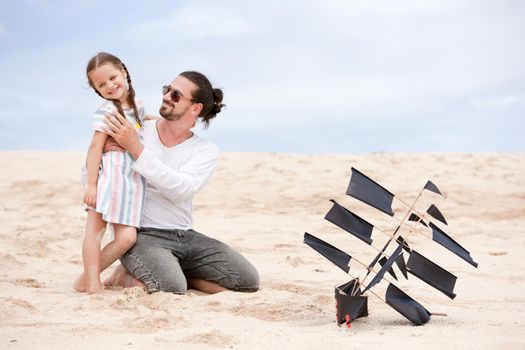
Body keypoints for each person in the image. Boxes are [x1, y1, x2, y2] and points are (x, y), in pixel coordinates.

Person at [101, 71, 260, 294]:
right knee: (171, 288)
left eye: (176, 95)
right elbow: (100, 166)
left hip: (185, 234)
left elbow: (181, 190)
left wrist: (135, 150)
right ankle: (127, 275)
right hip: (143, 234)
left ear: (195, 108)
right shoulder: (136, 131)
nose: (166, 96)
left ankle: (181, 275)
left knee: (247, 280)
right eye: (167, 89)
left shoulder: (205, 150)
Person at [74, 52, 147, 294]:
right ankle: (93, 284)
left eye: (113, 78)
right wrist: (92, 186)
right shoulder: (106, 111)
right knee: (95, 231)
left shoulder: (138, 106)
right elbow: (95, 147)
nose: (109, 86)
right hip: (107, 179)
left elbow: (143, 121)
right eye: (101, 84)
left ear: (124, 72)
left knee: (127, 237)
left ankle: (85, 279)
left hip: (129, 183)